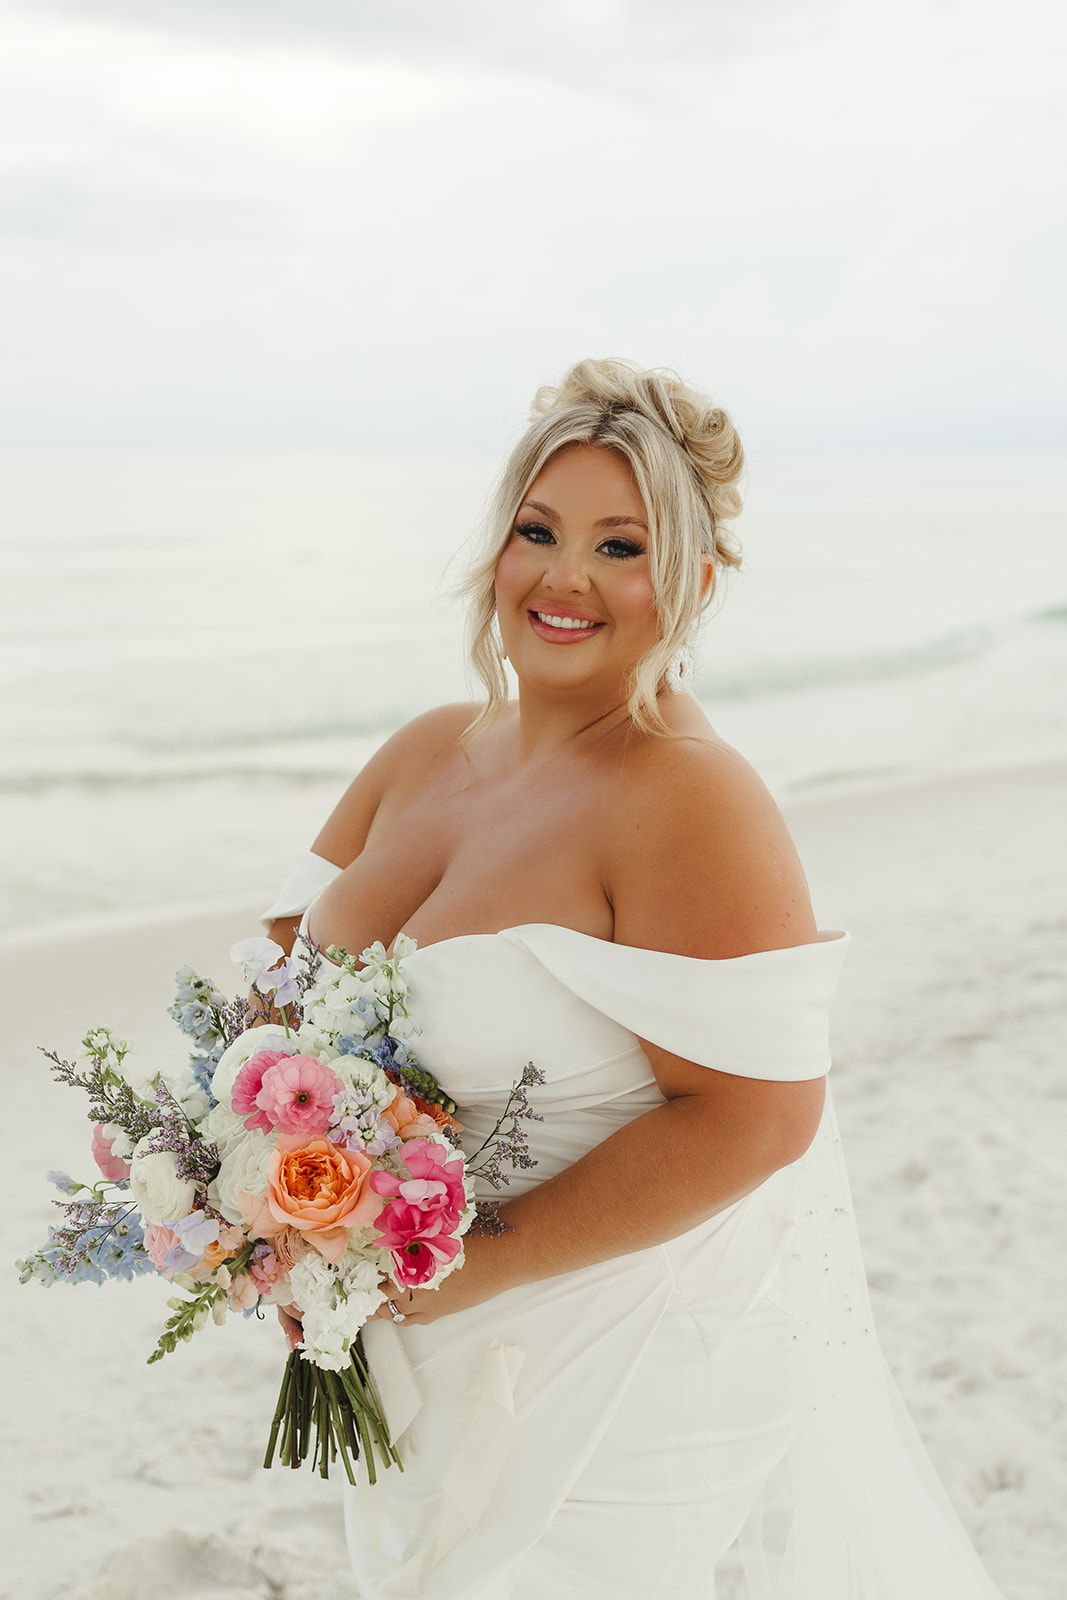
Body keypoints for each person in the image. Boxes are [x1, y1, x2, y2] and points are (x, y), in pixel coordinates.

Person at [260, 360, 1005, 1599]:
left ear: (690, 582)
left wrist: (453, 1266)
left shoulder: (685, 796)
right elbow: (276, 985)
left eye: (619, 545)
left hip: (610, 1353)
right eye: (538, 530)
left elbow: (759, 1116)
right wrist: (265, 1202)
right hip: (402, 1342)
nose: (564, 577)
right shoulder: (423, 751)